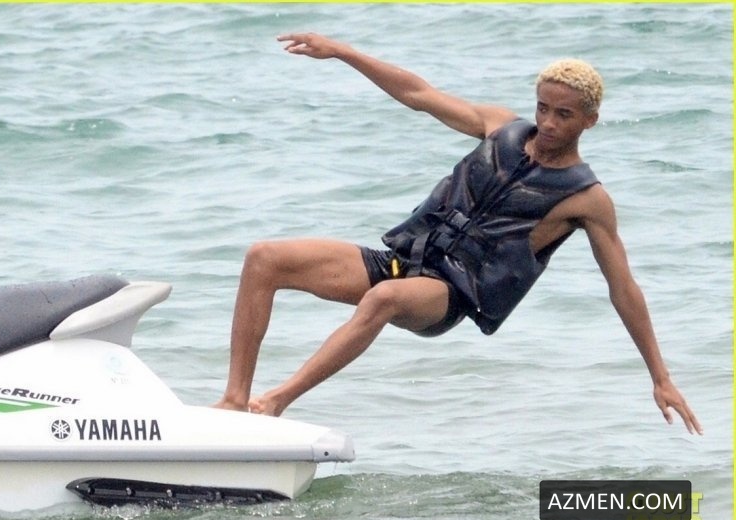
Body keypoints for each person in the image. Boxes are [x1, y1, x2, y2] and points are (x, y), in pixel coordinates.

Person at [213, 32, 703, 435]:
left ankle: (275, 402)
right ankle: (235, 399)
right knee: (265, 258)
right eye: (543, 108)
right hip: (403, 261)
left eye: (564, 115)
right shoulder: (500, 128)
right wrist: (343, 52)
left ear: (590, 121)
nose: (548, 123)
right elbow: (419, 94)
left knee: (384, 298)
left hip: (448, 294)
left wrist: (660, 377)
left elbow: (624, 288)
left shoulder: (587, 199)